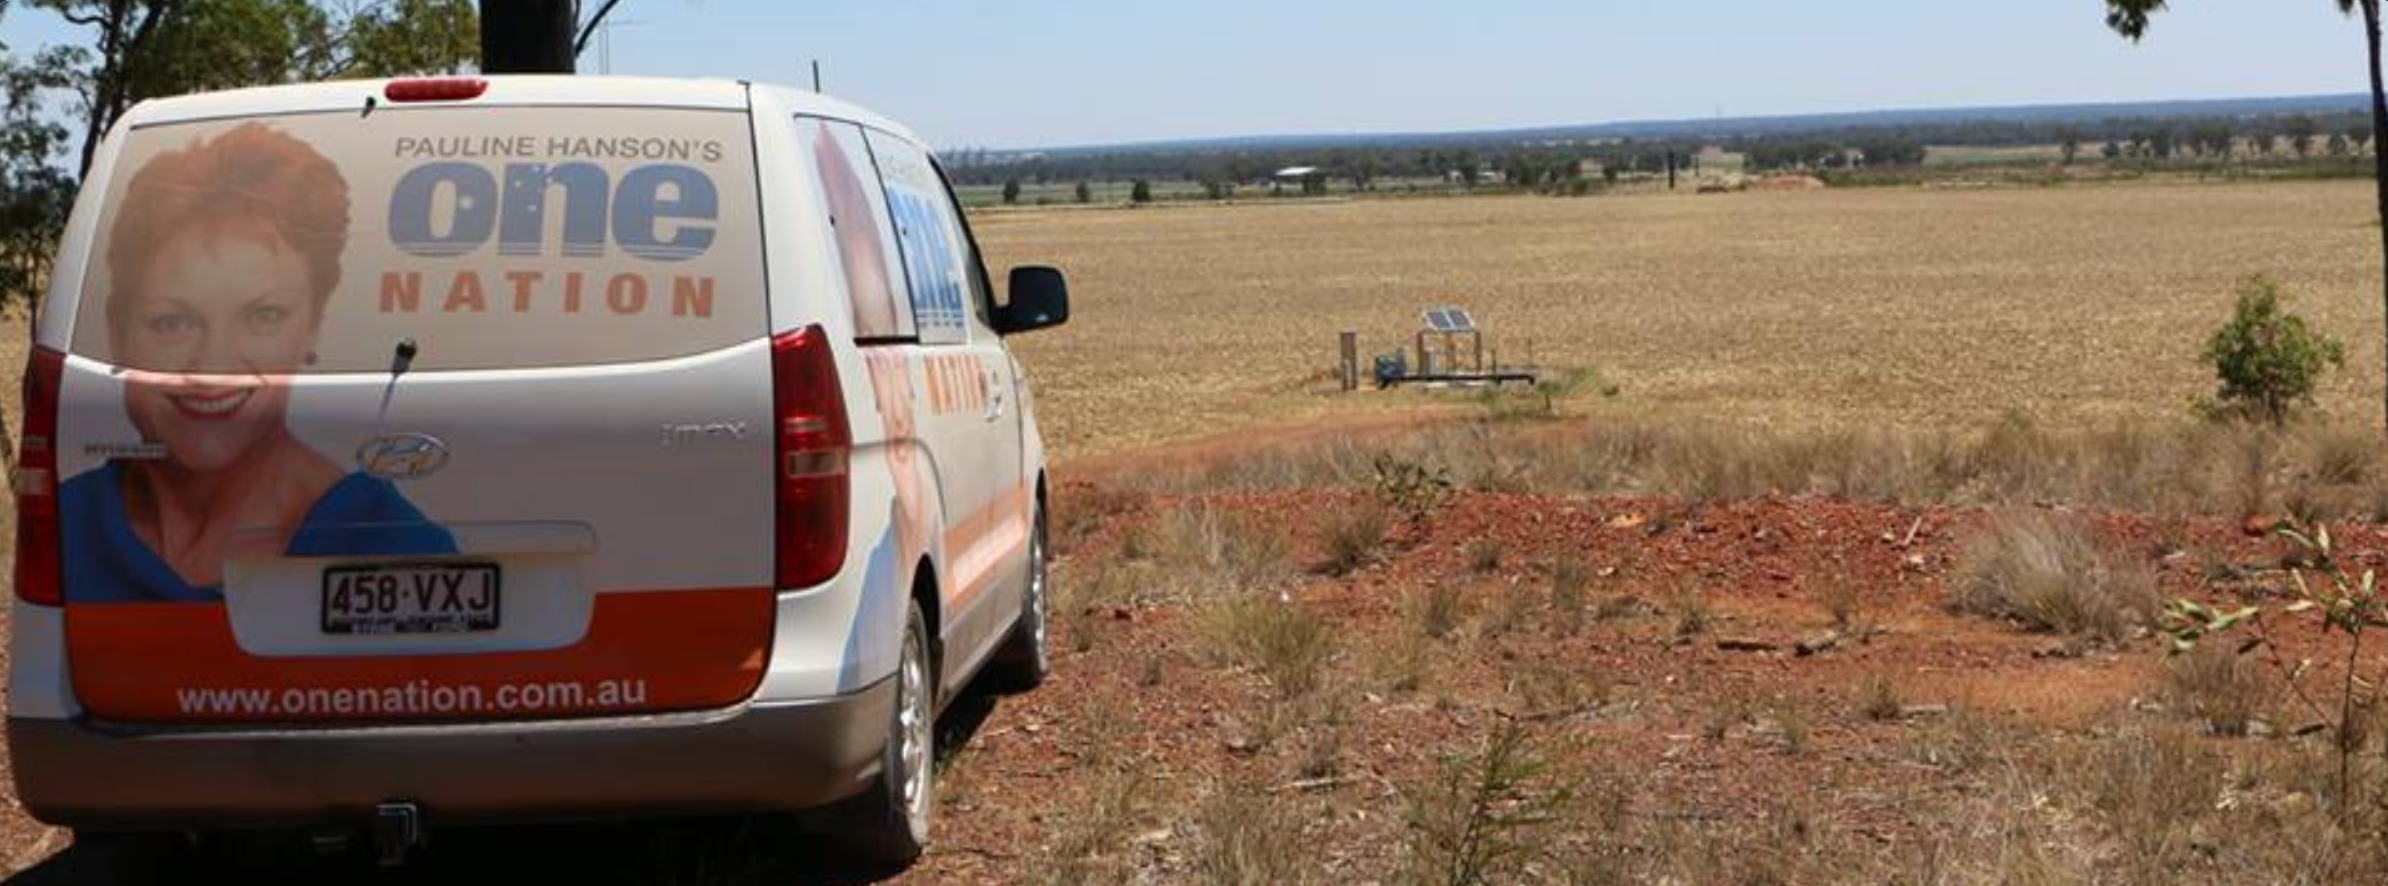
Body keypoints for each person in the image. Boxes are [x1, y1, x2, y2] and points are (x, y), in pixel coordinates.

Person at [60, 122, 454, 605]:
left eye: (263, 315)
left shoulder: (399, 544)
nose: (214, 365)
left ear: (313, 325)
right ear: (117, 331)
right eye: (172, 322)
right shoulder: (69, 522)